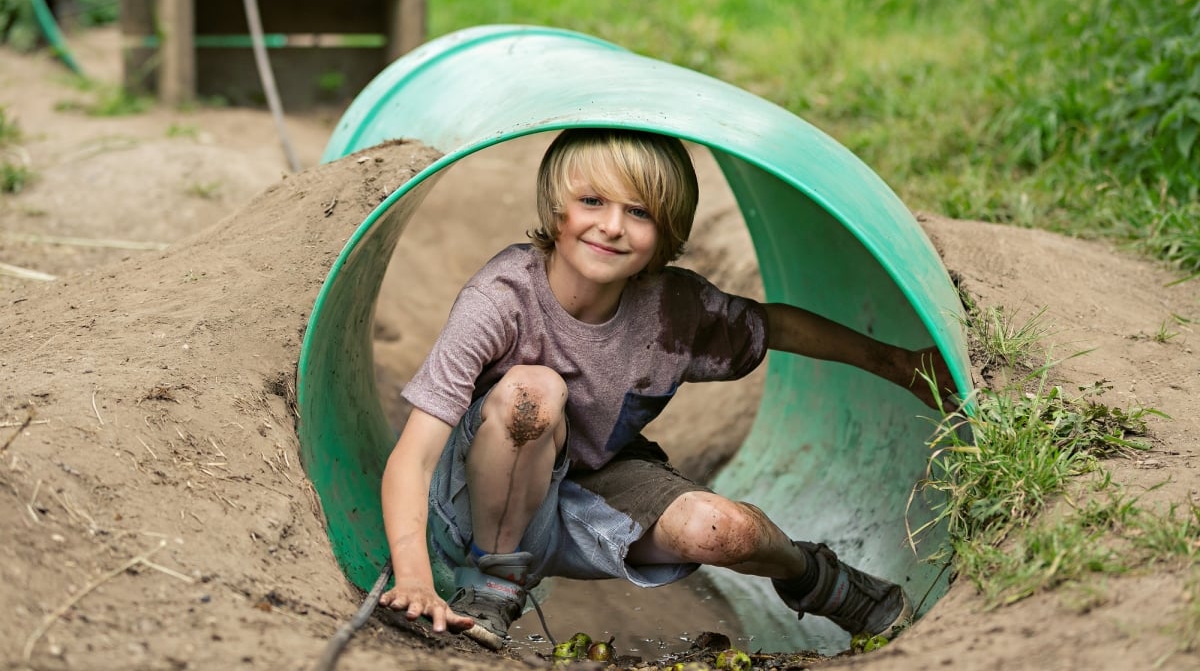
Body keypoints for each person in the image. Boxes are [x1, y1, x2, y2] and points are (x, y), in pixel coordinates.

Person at [378, 128, 956, 650]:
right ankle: (493, 584)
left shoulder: (670, 309)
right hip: (478, 492)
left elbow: (772, 324)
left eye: (639, 212)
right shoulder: (503, 298)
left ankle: (816, 578)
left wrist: (902, 365)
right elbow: (415, 453)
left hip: (596, 484)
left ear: (667, 233)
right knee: (533, 390)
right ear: (557, 209)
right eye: (591, 201)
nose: (611, 226)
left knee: (723, 529)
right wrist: (414, 577)